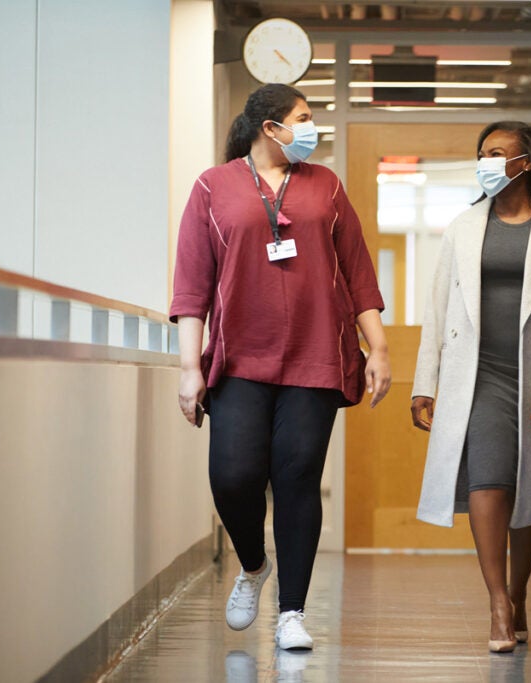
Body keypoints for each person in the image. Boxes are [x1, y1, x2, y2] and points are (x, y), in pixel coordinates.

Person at [170, 83, 390, 651]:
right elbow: (192, 285)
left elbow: (358, 272)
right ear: (271, 127)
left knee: (297, 480)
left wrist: (379, 349)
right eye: (304, 118)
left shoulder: (326, 186)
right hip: (240, 358)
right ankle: (253, 565)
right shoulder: (212, 187)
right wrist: (190, 367)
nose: (311, 128)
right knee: (233, 477)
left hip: (316, 357)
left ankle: (292, 611)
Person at [410, 121, 531, 653]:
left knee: (527, 485)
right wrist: (425, 382)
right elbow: (438, 308)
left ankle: (518, 591)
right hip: (478, 374)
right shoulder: (463, 227)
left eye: (495, 153)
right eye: (481, 154)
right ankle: (497, 603)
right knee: (488, 480)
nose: (484, 162)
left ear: (525, 162)